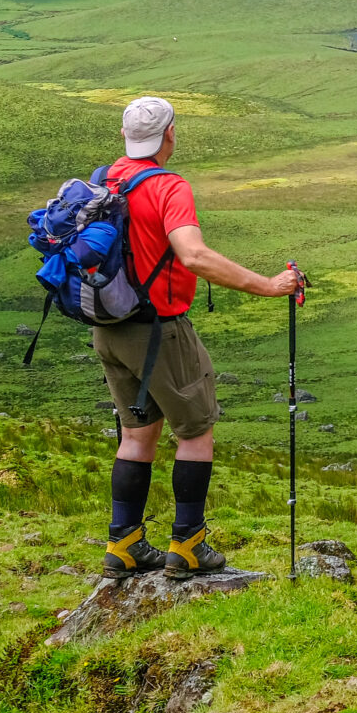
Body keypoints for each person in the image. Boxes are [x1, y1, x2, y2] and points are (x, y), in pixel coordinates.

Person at [99, 95, 303, 582]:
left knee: (135, 435)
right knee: (195, 433)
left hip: (109, 327)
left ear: (126, 137)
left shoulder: (106, 178)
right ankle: (187, 546)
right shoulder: (169, 187)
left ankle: (124, 546)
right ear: (169, 135)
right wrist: (269, 286)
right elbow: (192, 255)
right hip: (159, 331)